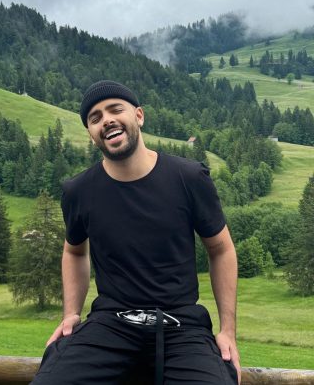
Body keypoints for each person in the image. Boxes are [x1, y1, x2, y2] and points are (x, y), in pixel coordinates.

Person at [31, 80, 240, 385]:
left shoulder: (188, 177)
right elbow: (74, 250)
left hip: (183, 327)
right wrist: (70, 313)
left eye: (115, 109)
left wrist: (227, 330)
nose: (107, 120)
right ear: (91, 136)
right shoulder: (78, 191)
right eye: (95, 118)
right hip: (108, 326)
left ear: (139, 116)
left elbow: (221, 249)